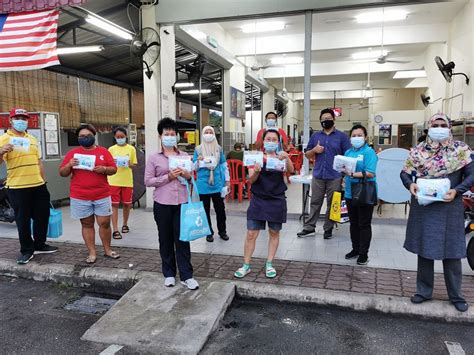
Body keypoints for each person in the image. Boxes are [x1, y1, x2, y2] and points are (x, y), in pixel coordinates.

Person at [400, 113, 473, 313]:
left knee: (451, 252)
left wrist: (457, 190)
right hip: (425, 208)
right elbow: (404, 173)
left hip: (450, 207)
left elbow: (472, 174)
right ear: (429, 127)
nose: (439, 127)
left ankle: (456, 295)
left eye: (443, 124)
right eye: (435, 124)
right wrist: (411, 184)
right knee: (425, 249)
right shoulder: (418, 151)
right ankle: (423, 291)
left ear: (449, 128)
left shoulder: (461, 151)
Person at [144, 117, 198, 290]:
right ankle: (168, 274)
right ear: (160, 136)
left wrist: (187, 175)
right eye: (166, 134)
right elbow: (148, 181)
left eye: (172, 134)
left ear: (177, 137)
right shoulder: (153, 158)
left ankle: (186, 275)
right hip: (162, 204)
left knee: (183, 240)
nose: (169, 136)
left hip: (182, 203)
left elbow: (191, 180)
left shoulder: (184, 156)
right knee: (165, 239)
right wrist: (169, 176)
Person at [0, 108, 58, 264]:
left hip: (38, 185)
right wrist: (1, 151)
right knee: (22, 219)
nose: (21, 121)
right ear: (11, 120)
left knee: (42, 216)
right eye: (18, 118)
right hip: (18, 186)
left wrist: (43, 181)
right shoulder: (4, 138)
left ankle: (40, 244)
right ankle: (26, 250)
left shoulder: (32, 139)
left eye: (24, 118)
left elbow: (39, 162)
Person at [234, 129, 294, 279]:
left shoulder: (281, 157)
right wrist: (256, 172)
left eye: (274, 139)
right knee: (251, 233)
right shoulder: (255, 157)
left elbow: (291, 171)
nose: (271, 142)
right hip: (258, 200)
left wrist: (287, 158)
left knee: (274, 232)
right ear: (263, 141)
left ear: (278, 142)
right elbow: (251, 180)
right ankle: (246, 265)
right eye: (269, 139)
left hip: (277, 199)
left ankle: (269, 264)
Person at [59, 124, 120, 264]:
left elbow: (114, 169)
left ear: (94, 135)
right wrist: (69, 165)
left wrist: (104, 169)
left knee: (104, 223)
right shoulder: (73, 154)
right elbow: (62, 173)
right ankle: (92, 252)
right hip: (80, 196)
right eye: (81, 136)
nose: (84, 138)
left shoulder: (103, 152)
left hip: (102, 194)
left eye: (87, 136)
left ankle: (107, 250)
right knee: (87, 224)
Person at [297, 108, 351, 239]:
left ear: (333, 119)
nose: (326, 121)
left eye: (328, 118)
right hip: (318, 175)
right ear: (320, 121)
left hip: (335, 176)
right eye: (323, 119)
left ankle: (328, 228)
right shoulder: (316, 136)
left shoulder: (342, 137)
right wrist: (315, 150)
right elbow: (307, 154)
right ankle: (309, 228)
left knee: (333, 204)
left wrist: (344, 175)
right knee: (315, 202)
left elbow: (348, 156)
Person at [342, 125, 378, 265]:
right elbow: (344, 168)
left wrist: (352, 174)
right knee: (353, 223)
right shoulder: (348, 152)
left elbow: (370, 173)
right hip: (350, 193)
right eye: (354, 135)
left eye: (359, 135)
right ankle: (355, 249)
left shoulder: (369, 152)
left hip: (364, 192)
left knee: (364, 224)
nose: (356, 138)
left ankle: (364, 253)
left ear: (365, 137)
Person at [193, 126, 230, 242]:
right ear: (203, 134)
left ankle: (222, 231)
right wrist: (198, 161)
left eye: (210, 132)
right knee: (205, 210)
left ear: (214, 134)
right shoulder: (198, 149)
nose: (208, 134)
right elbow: (193, 167)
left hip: (217, 184)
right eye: (206, 132)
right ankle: (209, 233)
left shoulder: (218, 148)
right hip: (203, 184)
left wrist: (227, 181)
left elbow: (224, 165)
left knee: (220, 210)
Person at [107, 127, 137, 239]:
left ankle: (125, 224)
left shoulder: (131, 149)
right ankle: (115, 229)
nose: (120, 139)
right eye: (118, 137)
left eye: (122, 137)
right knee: (114, 204)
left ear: (126, 136)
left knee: (127, 204)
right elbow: (108, 165)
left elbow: (134, 164)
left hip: (127, 180)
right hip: (113, 180)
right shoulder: (111, 149)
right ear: (114, 137)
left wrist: (129, 164)